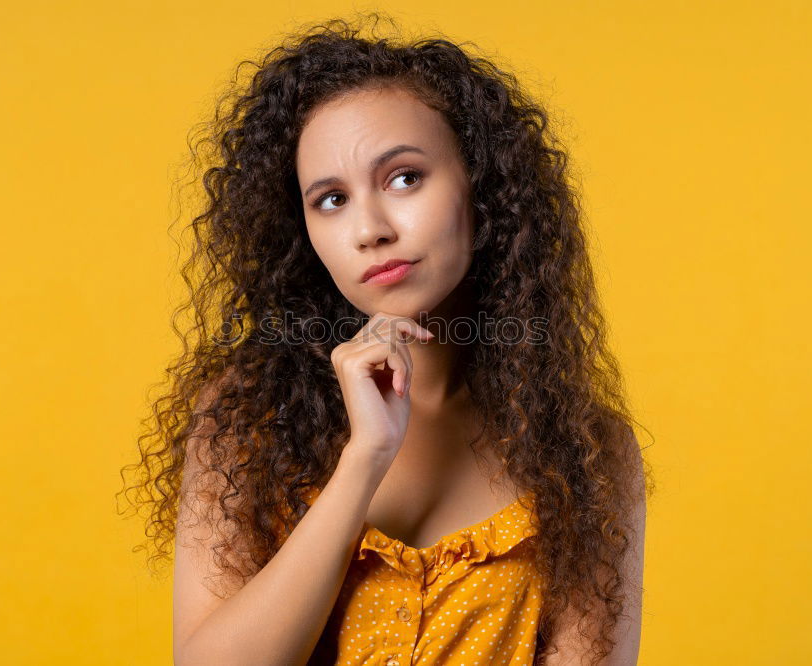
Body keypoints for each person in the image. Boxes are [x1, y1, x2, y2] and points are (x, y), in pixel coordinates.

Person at [120, 13, 653, 666]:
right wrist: (365, 458)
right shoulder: (245, 421)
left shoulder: (588, 451)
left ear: (482, 193)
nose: (370, 228)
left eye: (404, 178)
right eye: (331, 199)